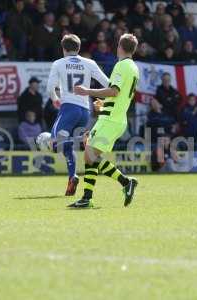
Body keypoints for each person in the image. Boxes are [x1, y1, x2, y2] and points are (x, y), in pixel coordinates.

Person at [69, 33, 140, 208]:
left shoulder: (121, 66)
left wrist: (87, 91)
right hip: (115, 117)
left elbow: (114, 91)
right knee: (90, 155)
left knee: (89, 155)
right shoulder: (133, 67)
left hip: (111, 120)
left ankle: (125, 182)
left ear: (119, 47)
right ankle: (87, 198)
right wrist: (105, 104)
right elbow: (120, 95)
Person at [45, 34, 109, 196]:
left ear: (63, 48)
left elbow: (49, 88)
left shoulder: (59, 63)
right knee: (67, 147)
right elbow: (108, 83)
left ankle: (81, 139)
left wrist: (55, 99)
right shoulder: (89, 63)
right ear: (79, 48)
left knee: (53, 143)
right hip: (85, 111)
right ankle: (72, 176)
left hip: (69, 109)